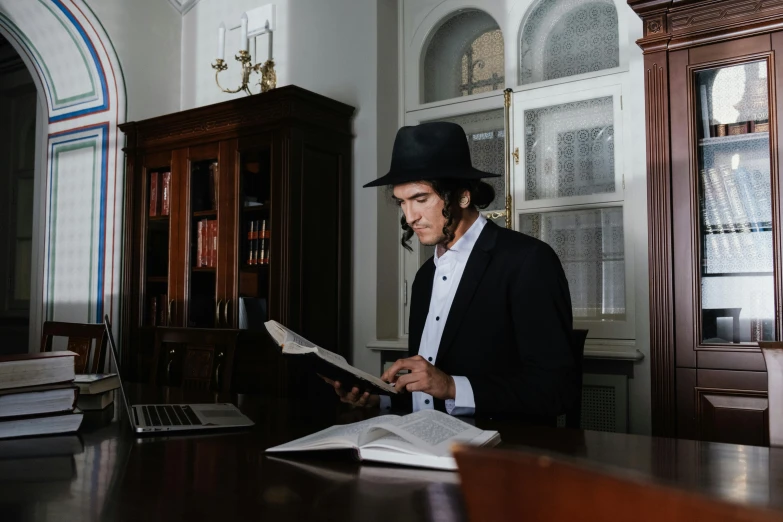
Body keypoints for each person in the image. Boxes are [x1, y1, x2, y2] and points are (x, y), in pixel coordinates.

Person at [325, 121, 577, 424]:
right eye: (402, 202)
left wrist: (452, 386)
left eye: (420, 199)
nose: (410, 216)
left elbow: (557, 390)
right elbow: (427, 392)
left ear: (462, 197)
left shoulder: (528, 261)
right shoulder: (424, 278)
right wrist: (379, 399)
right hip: (421, 447)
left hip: (497, 458)